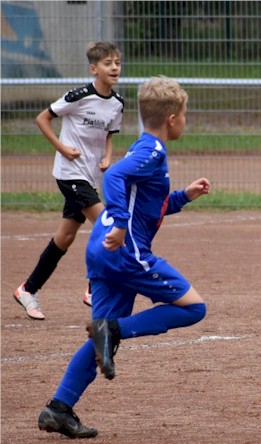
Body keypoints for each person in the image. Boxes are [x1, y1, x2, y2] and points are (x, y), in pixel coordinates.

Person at [37, 76, 210, 439]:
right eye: (185, 114)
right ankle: (114, 329)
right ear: (172, 119)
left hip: (103, 250)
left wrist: (184, 196)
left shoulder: (143, 146)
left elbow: (148, 203)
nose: (185, 120)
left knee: (99, 341)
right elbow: (113, 177)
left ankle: (59, 408)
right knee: (194, 308)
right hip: (125, 251)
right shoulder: (153, 151)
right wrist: (119, 221)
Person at [13, 41, 124, 319]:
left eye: (117, 63)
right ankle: (94, 288)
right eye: (108, 63)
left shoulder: (117, 104)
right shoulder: (78, 96)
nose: (114, 68)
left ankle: (28, 289)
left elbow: (109, 135)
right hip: (69, 173)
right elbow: (42, 119)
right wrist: (62, 148)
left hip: (89, 176)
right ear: (93, 69)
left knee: (65, 237)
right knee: (108, 225)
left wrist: (107, 157)